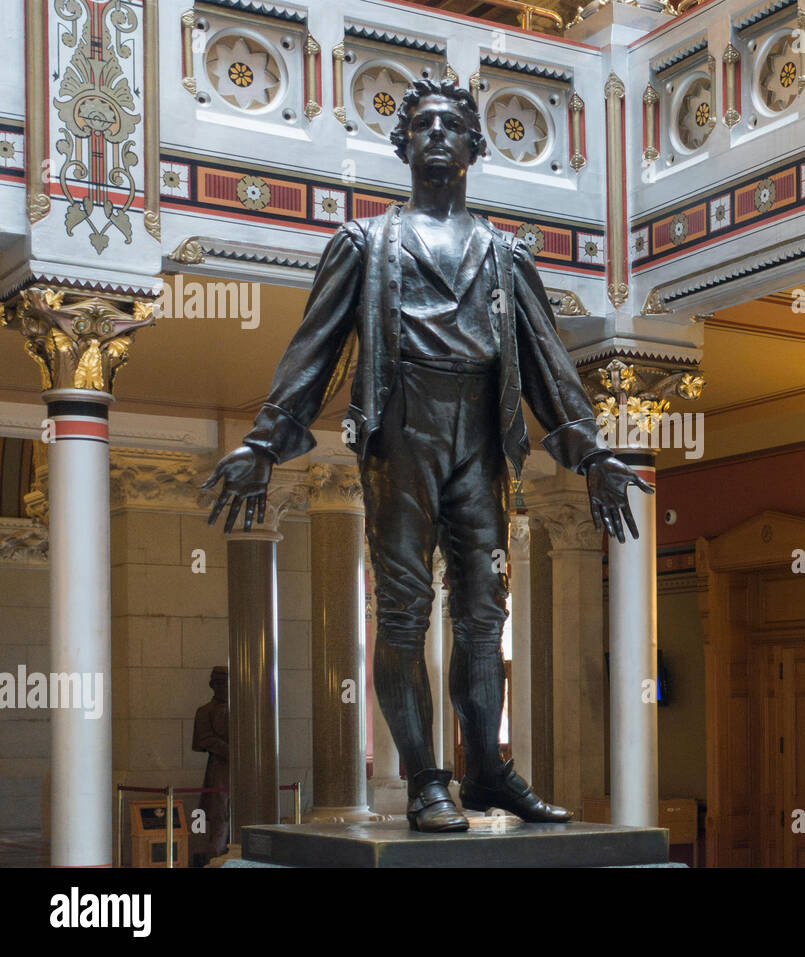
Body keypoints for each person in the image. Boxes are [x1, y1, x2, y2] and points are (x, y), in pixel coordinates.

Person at [202, 77, 649, 833]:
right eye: (424, 126)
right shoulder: (366, 245)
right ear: (403, 144)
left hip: (481, 432)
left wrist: (590, 450)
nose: (437, 135)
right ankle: (425, 778)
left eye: (452, 126)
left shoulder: (506, 257)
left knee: (483, 615)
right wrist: (264, 439)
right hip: (404, 427)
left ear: (476, 148)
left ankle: (490, 770)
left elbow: (546, 362)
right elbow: (313, 351)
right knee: (404, 613)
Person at [191, 665, 229, 863]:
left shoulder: (240, 711)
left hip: (239, 769)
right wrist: (228, 751)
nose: (224, 687)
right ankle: (216, 856)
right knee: (219, 815)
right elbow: (203, 739)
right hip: (219, 769)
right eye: (220, 683)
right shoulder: (205, 711)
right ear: (212, 685)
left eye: (227, 683)